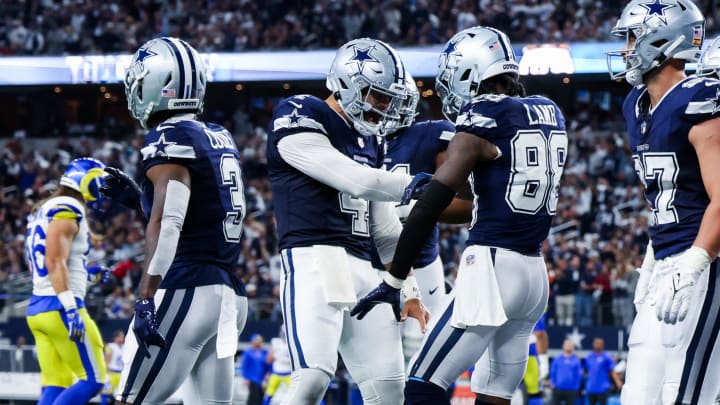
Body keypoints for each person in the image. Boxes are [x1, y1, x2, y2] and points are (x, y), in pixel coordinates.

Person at [352, 26, 568, 405]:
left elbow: (430, 206)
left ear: (471, 71)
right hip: (534, 274)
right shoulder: (549, 111)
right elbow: (488, 196)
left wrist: (394, 277)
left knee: (421, 384)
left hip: (492, 268)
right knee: (495, 393)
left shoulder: (484, 116)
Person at [267, 37, 430, 405]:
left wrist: (409, 290)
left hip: (364, 269)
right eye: (378, 95)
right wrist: (417, 186)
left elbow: (386, 229)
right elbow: (354, 179)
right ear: (349, 82)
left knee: (390, 389)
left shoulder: (370, 141)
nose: (385, 108)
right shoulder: (300, 112)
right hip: (314, 259)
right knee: (311, 380)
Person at [114, 37, 248, 405]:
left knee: (130, 399)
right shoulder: (219, 135)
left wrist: (145, 297)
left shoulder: (169, 136)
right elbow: (196, 212)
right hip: (227, 294)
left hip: (187, 288)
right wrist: (137, 199)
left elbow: (170, 221)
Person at [607, 1, 720, 403]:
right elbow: (666, 198)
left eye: (633, 37)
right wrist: (655, 256)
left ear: (662, 39)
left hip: (705, 263)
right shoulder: (636, 106)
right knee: (637, 394)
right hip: (667, 263)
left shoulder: (700, 98)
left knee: (683, 395)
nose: (625, 49)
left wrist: (694, 264)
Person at [382, 73, 457, 362]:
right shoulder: (357, 141)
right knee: (382, 355)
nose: (385, 106)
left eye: (391, 98)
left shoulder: (430, 133)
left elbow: (458, 189)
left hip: (421, 261)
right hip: (374, 260)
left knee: (422, 349)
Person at [25, 157, 109, 405]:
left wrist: (86, 275)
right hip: (60, 308)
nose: (102, 188)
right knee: (93, 380)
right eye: (98, 181)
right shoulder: (69, 206)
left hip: (40, 307)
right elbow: (53, 261)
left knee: (56, 383)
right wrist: (71, 308)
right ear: (84, 180)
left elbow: (54, 261)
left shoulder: (48, 208)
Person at [584, 338, 622, 405]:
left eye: (599, 343)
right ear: (593, 344)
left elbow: (612, 371)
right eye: (596, 343)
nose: (597, 345)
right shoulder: (589, 357)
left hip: (603, 388)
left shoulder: (606, 357)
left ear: (603, 345)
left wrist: (618, 381)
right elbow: (585, 371)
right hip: (591, 388)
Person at [263, 326, 292, 405]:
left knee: (298, 394)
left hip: (289, 374)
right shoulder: (275, 342)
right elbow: (268, 360)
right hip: (276, 373)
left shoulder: (293, 343)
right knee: (268, 395)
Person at [549, 340, 581, 405]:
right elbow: (553, 372)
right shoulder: (557, 359)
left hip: (571, 390)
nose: (568, 346)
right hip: (558, 388)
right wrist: (553, 382)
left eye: (570, 345)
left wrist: (576, 387)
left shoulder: (576, 360)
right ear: (563, 346)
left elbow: (578, 375)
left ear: (573, 347)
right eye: (567, 345)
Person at [242, 334, 269, 405]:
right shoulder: (248, 353)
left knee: (262, 397)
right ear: (253, 342)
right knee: (253, 397)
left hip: (262, 380)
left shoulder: (265, 352)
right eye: (257, 341)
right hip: (252, 379)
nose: (259, 343)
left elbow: (268, 365)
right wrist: (246, 378)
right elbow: (244, 366)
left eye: (260, 341)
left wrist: (268, 374)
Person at [102, 330, 125, 405]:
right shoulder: (111, 346)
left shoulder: (124, 346)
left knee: (119, 397)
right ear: (116, 337)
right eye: (121, 336)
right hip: (111, 373)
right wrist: (105, 372)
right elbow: (107, 359)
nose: (123, 338)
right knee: (106, 393)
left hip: (121, 374)